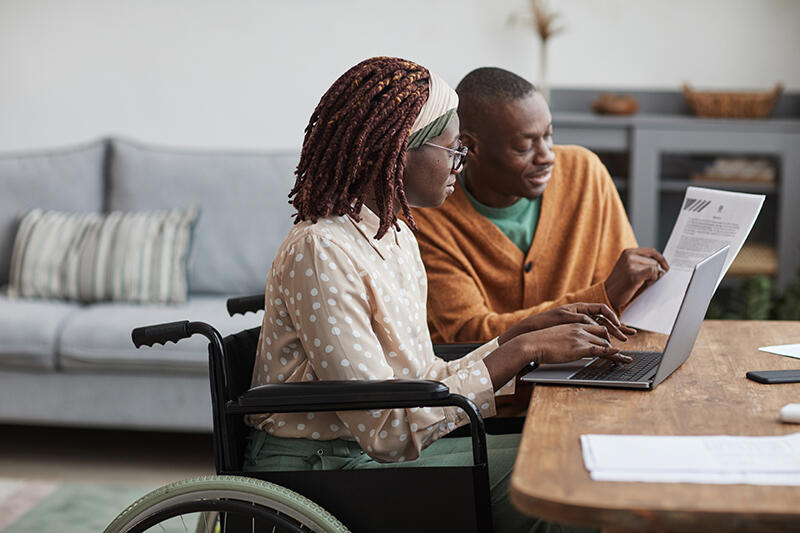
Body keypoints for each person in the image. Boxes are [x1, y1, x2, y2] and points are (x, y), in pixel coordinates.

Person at [243, 56, 634, 533]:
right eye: (454, 150)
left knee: (575, 453)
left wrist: (519, 337)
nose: (461, 164)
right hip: (328, 466)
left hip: (376, 452)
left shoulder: (395, 234)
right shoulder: (321, 250)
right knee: (565, 481)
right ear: (397, 153)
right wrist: (522, 351)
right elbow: (384, 429)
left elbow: (423, 378)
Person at [410, 67, 669, 343]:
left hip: (587, 366)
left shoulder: (584, 172)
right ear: (471, 148)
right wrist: (603, 296)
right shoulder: (426, 216)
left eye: (548, 135)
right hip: (487, 384)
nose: (546, 156)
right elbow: (468, 335)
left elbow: (629, 302)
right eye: (524, 147)